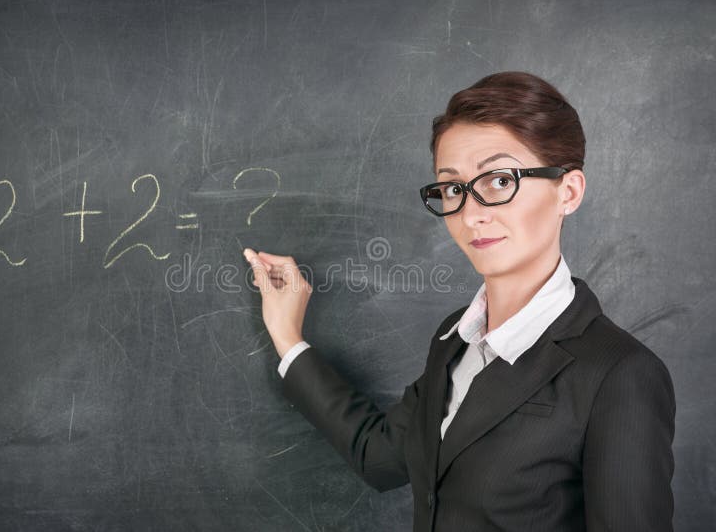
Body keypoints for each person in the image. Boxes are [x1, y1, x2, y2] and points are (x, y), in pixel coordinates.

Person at [242, 71, 675, 532]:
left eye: (499, 180)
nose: (471, 213)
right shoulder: (455, 341)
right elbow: (381, 456)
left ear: (567, 192)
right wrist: (288, 337)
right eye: (452, 188)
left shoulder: (620, 374)